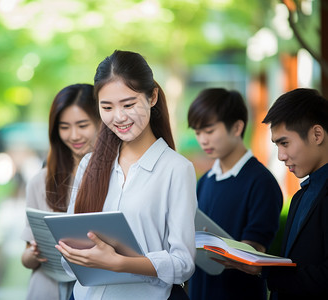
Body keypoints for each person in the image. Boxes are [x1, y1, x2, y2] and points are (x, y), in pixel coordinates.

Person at [55, 50, 197, 300]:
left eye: (129, 104)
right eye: (107, 107)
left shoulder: (176, 169)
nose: (118, 117)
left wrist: (120, 263)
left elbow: (183, 263)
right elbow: (68, 262)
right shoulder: (90, 164)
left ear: (152, 96)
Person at [217, 88, 328, 299]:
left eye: (284, 143)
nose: (281, 156)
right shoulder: (300, 196)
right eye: (277, 145)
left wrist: (264, 269)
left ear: (316, 134)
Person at [186, 88, 283, 300]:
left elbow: (256, 247)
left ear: (237, 127)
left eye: (209, 131)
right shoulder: (205, 181)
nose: (202, 140)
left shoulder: (261, 182)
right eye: (197, 132)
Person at [20, 83, 100, 300]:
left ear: (101, 122)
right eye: (64, 127)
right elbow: (26, 260)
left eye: (83, 125)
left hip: (96, 288)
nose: (74, 136)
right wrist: (34, 252)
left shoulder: (118, 177)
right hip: (47, 288)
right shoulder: (40, 181)